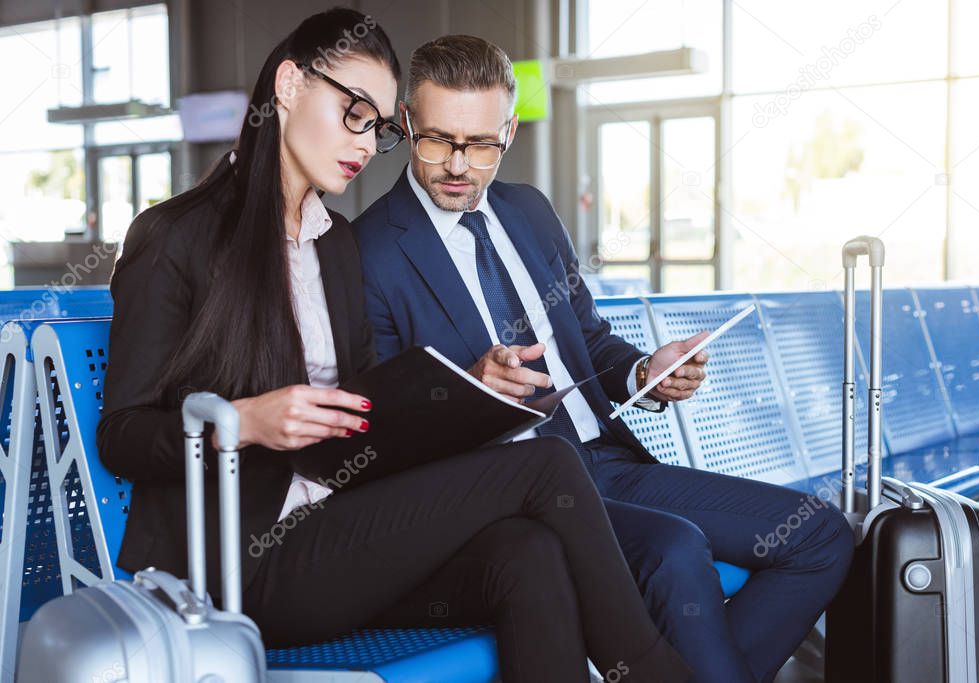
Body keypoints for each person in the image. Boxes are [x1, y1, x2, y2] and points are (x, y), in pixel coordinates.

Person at [96, 8, 692, 682]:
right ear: (289, 85)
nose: (364, 141)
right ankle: (653, 672)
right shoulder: (176, 236)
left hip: (342, 527)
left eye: (378, 126)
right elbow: (121, 434)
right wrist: (245, 423)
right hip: (245, 564)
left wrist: (455, 394)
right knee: (547, 463)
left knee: (528, 552)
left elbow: (363, 415)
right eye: (353, 111)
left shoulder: (335, 244)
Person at [352, 33, 855, 683]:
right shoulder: (369, 253)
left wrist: (643, 371)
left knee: (819, 535)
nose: (457, 165)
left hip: (606, 462)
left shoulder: (526, 211)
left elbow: (585, 335)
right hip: (513, 493)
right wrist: (469, 389)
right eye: (437, 140)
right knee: (675, 551)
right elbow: (381, 428)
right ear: (406, 124)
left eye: (480, 145)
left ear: (507, 131)